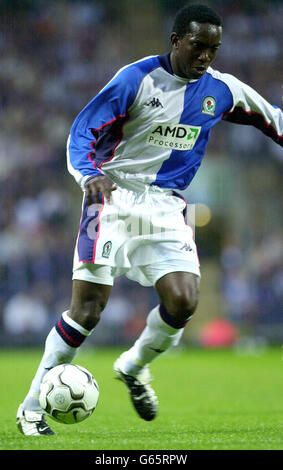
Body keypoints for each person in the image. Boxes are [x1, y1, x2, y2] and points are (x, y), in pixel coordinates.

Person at [17, 3, 282, 435]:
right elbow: (82, 131)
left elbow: (274, 120)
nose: (205, 57)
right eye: (198, 46)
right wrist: (90, 176)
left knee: (184, 300)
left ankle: (134, 366)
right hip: (112, 198)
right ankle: (31, 406)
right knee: (86, 312)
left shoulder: (223, 90)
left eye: (214, 49)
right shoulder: (135, 78)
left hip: (166, 205)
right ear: (176, 40)